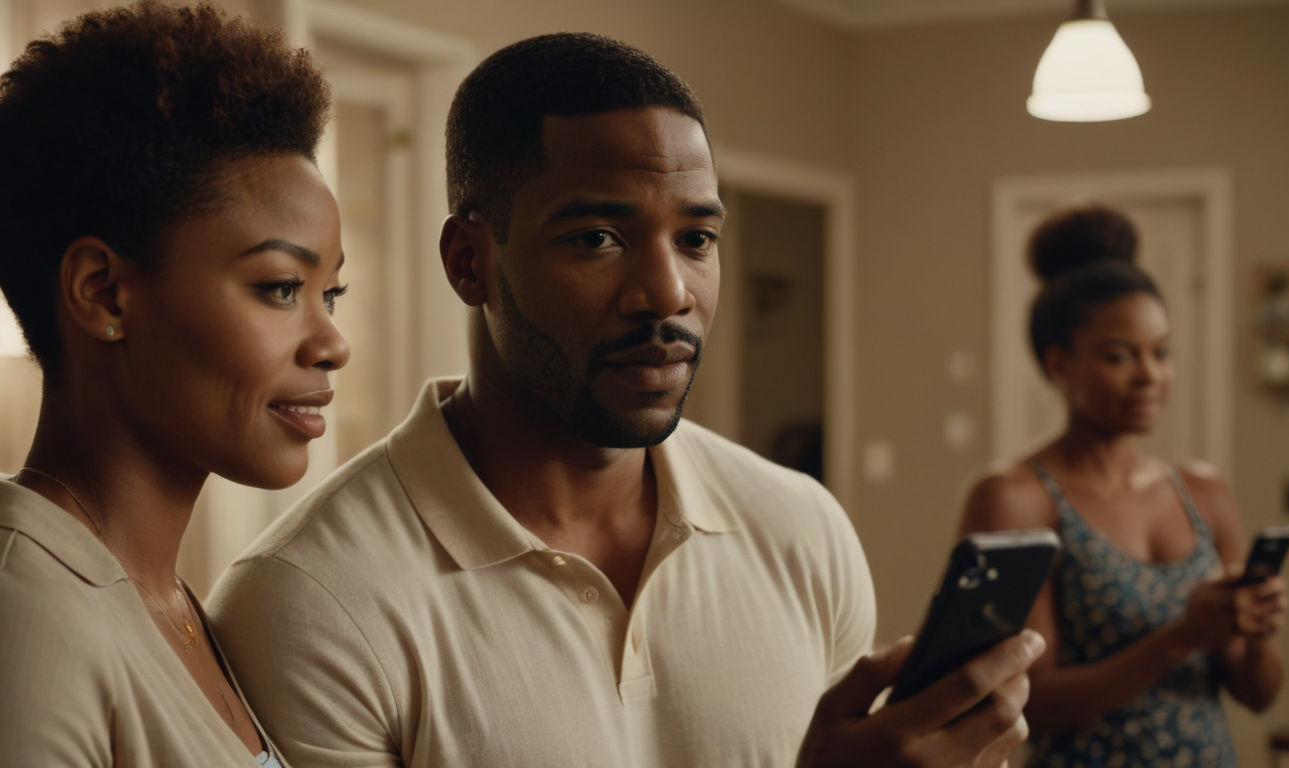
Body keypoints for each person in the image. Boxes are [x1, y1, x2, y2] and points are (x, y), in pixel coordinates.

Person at [207, 32, 1040, 768]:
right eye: (596, 238)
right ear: (469, 262)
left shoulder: (801, 528)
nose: (667, 292)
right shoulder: (310, 602)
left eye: (697, 239)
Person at [0, 3, 347, 765]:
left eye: (332, 294)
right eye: (281, 287)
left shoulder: (177, 603)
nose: (332, 344)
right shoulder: (26, 620)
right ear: (103, 294)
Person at [959, 204, 1288, 767]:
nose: (1150, 375)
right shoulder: (1017, 496)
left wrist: (1251, 632)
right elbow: (1024, 704)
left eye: (1162, 353)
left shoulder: (1202, 491)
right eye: (1119, 356)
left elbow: (1258, 695)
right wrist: (1180, 637)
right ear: (1059, 365)